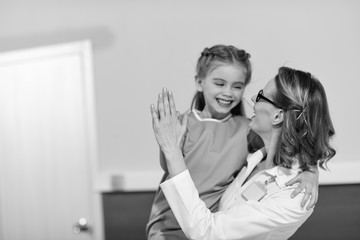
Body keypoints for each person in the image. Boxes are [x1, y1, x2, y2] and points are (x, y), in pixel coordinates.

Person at [146, 45, 319, 240]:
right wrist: (169, 144)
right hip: (168, 227)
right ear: (199, 82)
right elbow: (168, 167)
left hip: (205, 226)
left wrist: (310, 171)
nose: (228, 92)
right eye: (220, 83)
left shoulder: (246, 129)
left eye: (237, 86)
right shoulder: (184, 124)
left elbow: (294, 145)